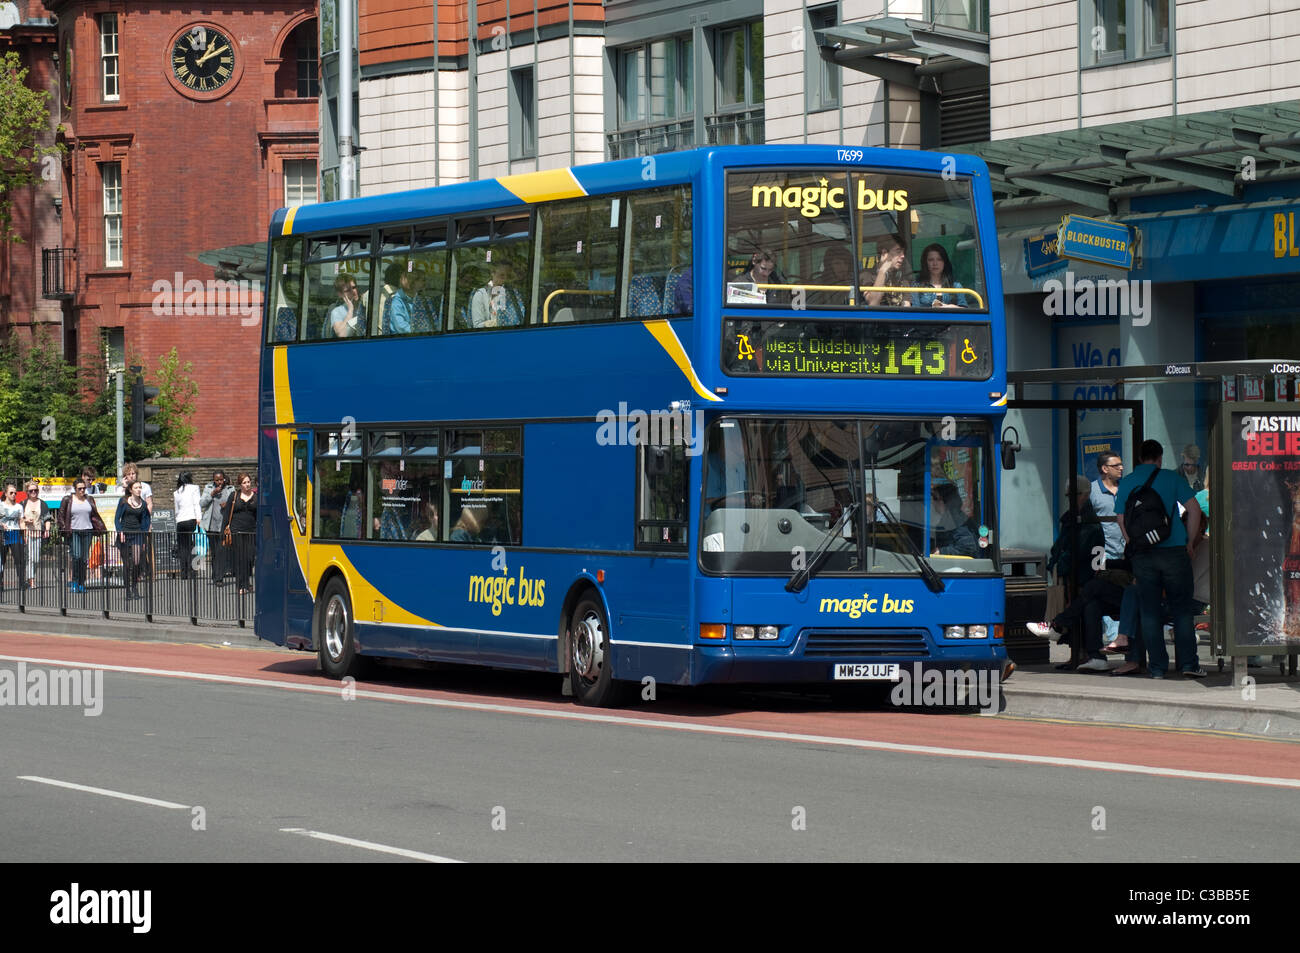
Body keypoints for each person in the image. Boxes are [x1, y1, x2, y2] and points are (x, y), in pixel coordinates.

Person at [1115, 438, 1205, 679]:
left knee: (1149, 611)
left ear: (1139, 458)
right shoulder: (1170, 478)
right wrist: (1189, 540)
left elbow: (1121, 519)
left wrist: (1133, 543)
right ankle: (1188, 665)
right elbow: (1195, 510)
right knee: (1182, 610)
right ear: (1159, 458)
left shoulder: (1128, 482)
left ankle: (1157, 668)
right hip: (1174, 550)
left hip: (1143, 555)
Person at [58, 479, 104, 594]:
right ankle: (74, 582)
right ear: (75, 489)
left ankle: (82, 583)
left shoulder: (89, 499)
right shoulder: (68, 500)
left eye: (83, 488)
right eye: (79, 488)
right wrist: (65, 528)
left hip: (87, 531)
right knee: (76, 556)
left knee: (84, 559)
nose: (82, 490)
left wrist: (99, 527)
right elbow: (61, 516)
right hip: (74, 531)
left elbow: (94, 515)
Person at [114, 479, 150, 600]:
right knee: (126, 564)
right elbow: (117, 519)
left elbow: (146, 522)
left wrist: (144, 538)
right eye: (136, 488)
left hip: (137, 534)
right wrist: (120, 532)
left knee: (136, 562)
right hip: (124, 534)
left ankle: (134, 587)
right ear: (130, 490)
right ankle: (128, 591)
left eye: (140, 487)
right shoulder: (123, 501)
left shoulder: (143, 504)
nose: (139, 489)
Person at [224, 472, 257, 595]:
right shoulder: (234, 496)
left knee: (249, 559)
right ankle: (240, 585)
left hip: (251, 531)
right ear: (240, 484)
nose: (247, 485)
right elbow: (227, 514)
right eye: (244, 483)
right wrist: (224, 531)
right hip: (236, 531)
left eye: (248, 482)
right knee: (239, 560)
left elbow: (259, 516)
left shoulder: (256, 496)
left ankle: (247, 582)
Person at [200, 471, 234, 586]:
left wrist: (227, 505)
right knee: (214, 552)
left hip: (223, 526)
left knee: (221, 552)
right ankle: (215, 575)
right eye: (217, 480)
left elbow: (234, 503)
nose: (219, 482)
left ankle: (219, 578)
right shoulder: (208, 488)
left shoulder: (230, 489)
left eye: (221, 479)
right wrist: (212, 494)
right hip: (211, 525)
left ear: (224, 479)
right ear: (213, 480)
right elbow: (202, 503)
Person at [1091, 450, 1125, 560]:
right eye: (1116, 465)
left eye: (1121, 464)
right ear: (1105, 469)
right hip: (1100, 552)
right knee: (1101, 577)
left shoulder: (1126, 488)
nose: (1121, 468)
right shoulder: (1091, 491)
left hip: (1127, 551)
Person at [470, 261, 525, 328]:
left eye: (508, 276)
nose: (505, 279)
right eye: (502, 275)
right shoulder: (480, 294)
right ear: (492, 272)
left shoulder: (512, 295)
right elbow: (477, 325)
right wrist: (491, 323)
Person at [911, 243, 968, 309]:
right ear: (925, 263)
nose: (935, 263)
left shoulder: (956, 286)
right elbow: (915, 312)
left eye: (939, 259)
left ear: (945, 262)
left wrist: (949, 307)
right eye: (931, 260)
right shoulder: (917, 285)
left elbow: (966, 312)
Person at [929, 482, 978, 557]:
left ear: (945, 501)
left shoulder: (958, 521)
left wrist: (941, 552)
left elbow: (968, 547)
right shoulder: (946, 520)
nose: (932, 502)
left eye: (935, 498)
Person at [21, 480, 52, 589]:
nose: (34, 492)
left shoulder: (42, 503)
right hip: (27, 534)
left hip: (38, 534)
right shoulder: (23, 504)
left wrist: (47, 529)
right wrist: (25, 521)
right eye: (31, 490)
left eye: (36, 490)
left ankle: (30, 578)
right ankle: (31, 581)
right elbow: (19, 519)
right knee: (30, 558)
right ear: (27, 492)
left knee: (36, 559)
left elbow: (47, 518)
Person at [865, 240, 910, 307]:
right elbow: (873, 303)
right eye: (898, 252)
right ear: (884, 253)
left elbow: (906, 307)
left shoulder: (902, 279)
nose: (903, 256)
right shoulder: (866, 275)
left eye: (903, 252)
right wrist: (883, 270)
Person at [174, 470, 201, 580]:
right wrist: (199, 518)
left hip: (180, 521)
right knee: (191, 546)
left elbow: (176, 510)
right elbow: (196, 504)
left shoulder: (176, 492)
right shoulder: (194, 488)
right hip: (191, 519)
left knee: (183, 547)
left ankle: (184, 573)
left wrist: (177, 520)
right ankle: (192, 571)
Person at [0, 482, 25, 589]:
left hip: (15, 532)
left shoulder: (19, 506)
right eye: (11, 493)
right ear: (5, 493)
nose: (14, 495)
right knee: (2, 560)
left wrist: (24, 534)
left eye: (15, 493)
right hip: (3, 534)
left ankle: (21, 582)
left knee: (19, 559)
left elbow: (21, 521)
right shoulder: (0, 505)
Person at [327, 273, 363, 338]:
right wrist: (350, 310)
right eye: (348, 290)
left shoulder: (365, 304)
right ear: (340, 294)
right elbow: (342, 334)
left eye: (354, 287)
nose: (354, 292)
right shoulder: (337, 311)